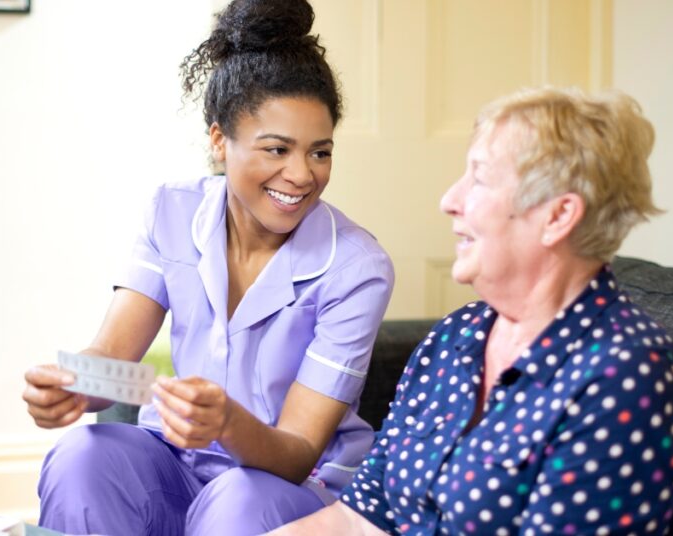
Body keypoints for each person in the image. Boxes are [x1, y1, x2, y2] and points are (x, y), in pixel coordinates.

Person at [272, 87, 673, 535]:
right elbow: (359, 519)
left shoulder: (629, 379)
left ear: (558, 216)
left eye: (480, 178)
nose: (449, 199)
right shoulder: (455, 338)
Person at [21, 1, 394, 534]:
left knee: (238, 499)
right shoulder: (171, 211)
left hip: (286, 487)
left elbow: (295, 453)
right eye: (276, 149)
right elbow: (112, 358)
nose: (301, 174)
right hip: (179, 462)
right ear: (220, 141)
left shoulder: (358, 268)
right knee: (85, 454)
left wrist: (227, 422)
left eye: (320, 152)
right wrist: (73, 385)